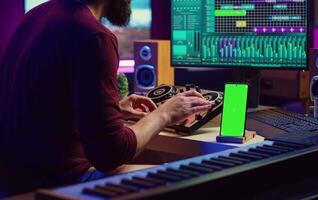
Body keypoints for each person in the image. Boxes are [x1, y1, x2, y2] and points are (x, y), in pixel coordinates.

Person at [0, 0, 212, 193]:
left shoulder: (37, 15)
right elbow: (110, 154)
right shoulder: (93, 35)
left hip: (16, 181)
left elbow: (44, 107)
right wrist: (165, 114)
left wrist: (114, 109)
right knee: (181, 177)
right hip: (57, 185)